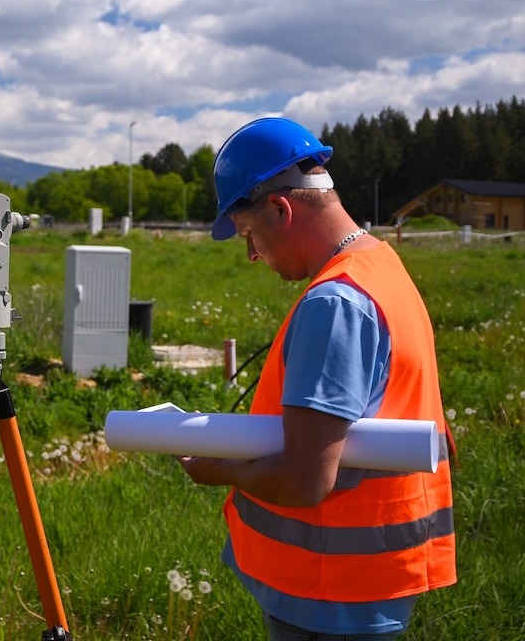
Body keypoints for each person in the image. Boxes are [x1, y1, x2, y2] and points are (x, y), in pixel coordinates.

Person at [178, 117, 456, 640]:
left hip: (329, 590)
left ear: (281, 209)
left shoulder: (336, 302)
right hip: (368, 581)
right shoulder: (380, 264)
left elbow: (307, 479)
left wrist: (222, 469)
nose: (253, 254)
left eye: (249, 234)